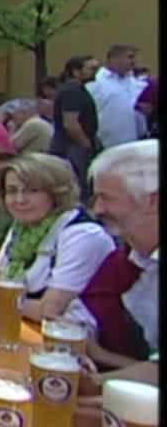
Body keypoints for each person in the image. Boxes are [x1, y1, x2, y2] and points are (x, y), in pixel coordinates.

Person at [0, 153, 115, 332]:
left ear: (57, 193)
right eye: (12, 191)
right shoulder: (23, 227)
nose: (20, 200)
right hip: (25, 329)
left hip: (76, 342)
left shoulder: (82, 234)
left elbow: (49, 310)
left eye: (32, 190)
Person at [66, 140, 158, 368]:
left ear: (152, 202)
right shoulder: (130, 256)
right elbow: (82, 313)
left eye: (106, 198)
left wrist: (99, 367)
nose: (97, 209)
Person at [50, 54, 102, 199]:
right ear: (76, 71)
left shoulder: (77, 89)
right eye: (92, 68)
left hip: (75, 147)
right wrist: (86, 145)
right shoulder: (72, 91)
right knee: (78, 190)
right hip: (72, 148)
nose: (96, 72)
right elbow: (71, 123)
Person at [87, 44, 145, 149]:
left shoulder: (133, 81)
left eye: (135, 58)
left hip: (135, 142)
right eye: (130, 57)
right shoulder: (95, 81)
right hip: (107, 144)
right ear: (113, 58)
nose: (134, 62)